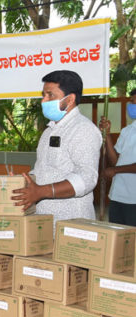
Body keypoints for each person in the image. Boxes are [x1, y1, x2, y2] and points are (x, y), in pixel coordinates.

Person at [12, 70, 102, 224]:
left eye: (50, 95)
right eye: (43, 95)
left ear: (70, 99)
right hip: (44, 222)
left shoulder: (83, 129)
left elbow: (87, 178)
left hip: (71, 223)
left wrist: (42, 191)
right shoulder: (49, 131)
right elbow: (44, 169)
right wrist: (25, 181)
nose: (43, 101)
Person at [99, 88, 136, 226]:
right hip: (117, 196)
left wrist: (115, 171)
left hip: (134, 198)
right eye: (130, 101)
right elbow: (115, 161)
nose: (130, 105)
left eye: (133, 102)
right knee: (119, 240)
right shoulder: (128, 130)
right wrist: (107, 134)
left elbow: (116, 168)